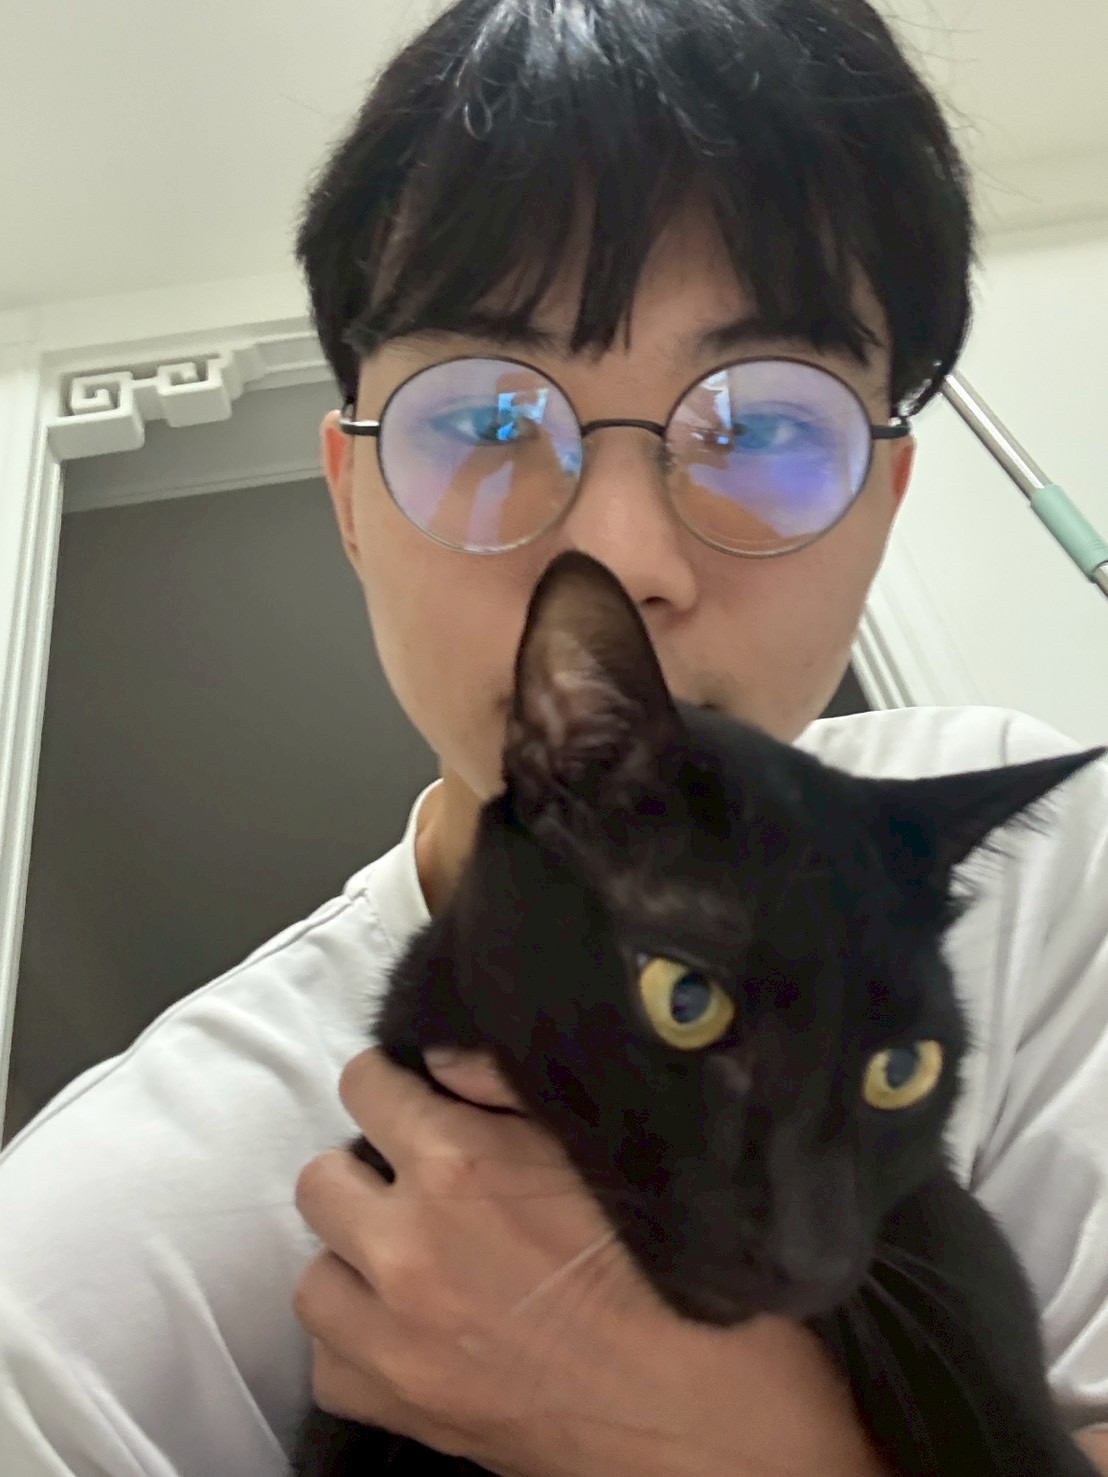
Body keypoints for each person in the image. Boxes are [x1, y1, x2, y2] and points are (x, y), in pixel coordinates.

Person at [2, 1, 1107, 1473]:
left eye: (763, 427)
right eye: (491, 421)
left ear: (881, 506)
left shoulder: (1042, 891)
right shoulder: (72, 1284)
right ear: (350, 498)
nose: (625, 553)